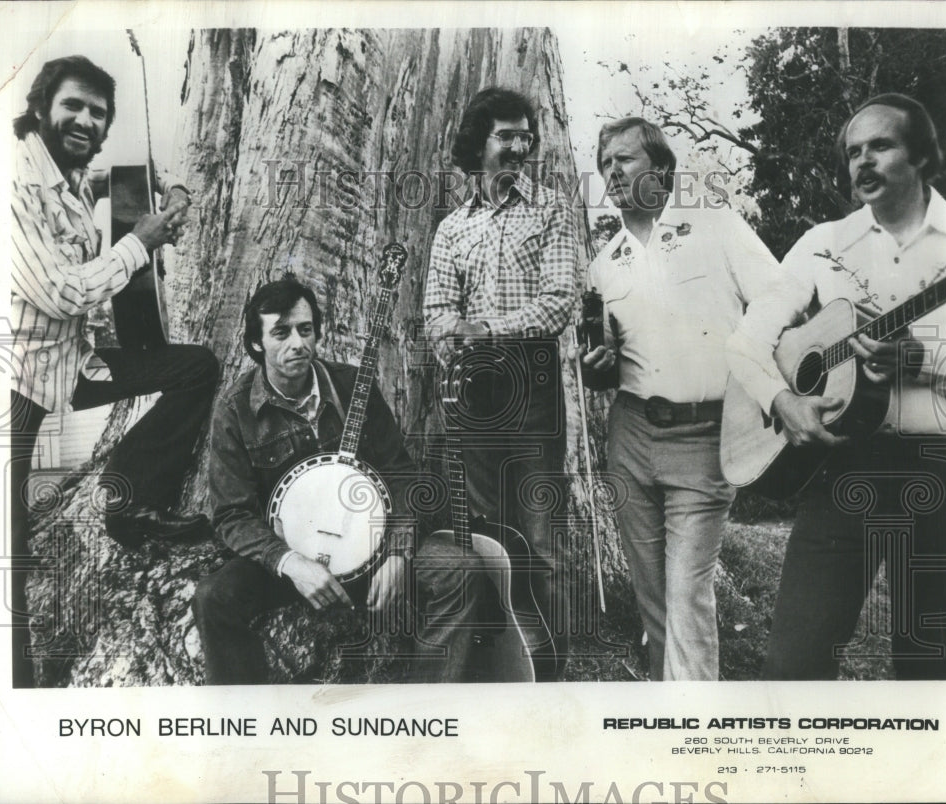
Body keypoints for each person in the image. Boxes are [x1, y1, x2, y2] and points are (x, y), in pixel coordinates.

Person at [727, 93, 946, 680]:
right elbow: (746, 341)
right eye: (854, 151)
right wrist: (783, 399)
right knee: (793, 667)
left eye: (881, 146)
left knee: (931, 671)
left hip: (943, 471)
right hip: (841, 468)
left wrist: (922, 361)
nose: (863, 162)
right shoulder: (823, 243)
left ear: (926, 157)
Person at [9, 56, 219, 687]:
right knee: (8, 543)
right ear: (42, 105)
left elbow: (132, 176)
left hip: (76, 363)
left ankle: (127, 501)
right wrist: (142, 243)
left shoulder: (72, 174)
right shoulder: (14, 181)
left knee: (196, 369)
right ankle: (20, 679)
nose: (86, 120)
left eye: (99, 113)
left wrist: (172, 190)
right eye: (74, 105)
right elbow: (62, 294)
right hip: (17, 384)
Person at [194, 277, 487, 684]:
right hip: (291, 561)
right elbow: (231, 514)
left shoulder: (355, 386)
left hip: (373, 547)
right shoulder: (236, 410)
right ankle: (249, 724)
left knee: (462, 570)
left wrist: (399, 553)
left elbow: (401, 474)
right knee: (214, 599)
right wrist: (291, 564)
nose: (297, 342)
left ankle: (429, 707)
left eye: (305, 329)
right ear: (256, 343)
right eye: (281, 333)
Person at [579, 117, 782, 680]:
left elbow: (782, 301)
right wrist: (597, 369)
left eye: (624, 159)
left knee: (686, 591)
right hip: (632, 435)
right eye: (604, 164)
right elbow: (607, 370)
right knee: (654, 597)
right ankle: (664, 718)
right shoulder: (604, 263)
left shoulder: (715, 225)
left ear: (661, 170)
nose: (612, 172)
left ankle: (695, 733)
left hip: (707, 434)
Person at [423, 87, 580, 680]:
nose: (519, 147)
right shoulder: (451, 228)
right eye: (505, 136)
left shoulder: (551, 209)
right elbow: (437, 313)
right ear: (478, 144)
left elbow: (559, 302)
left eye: (525, 136)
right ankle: (495, 666)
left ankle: (548, 673)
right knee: (485, 541)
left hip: (532, 388)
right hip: (472, 397)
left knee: (538, 545)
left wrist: (486, 331)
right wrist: (458, 353)